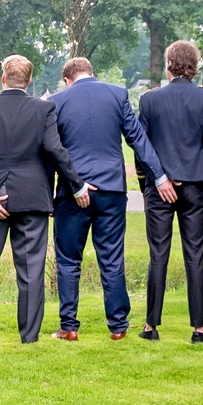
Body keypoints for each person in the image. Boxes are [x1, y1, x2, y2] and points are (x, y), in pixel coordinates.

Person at [49, 57, 176, 342]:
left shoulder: (57, 101)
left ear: (67, 79)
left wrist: (53, 194)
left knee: (69, 259)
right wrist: (159, 176)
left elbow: (53, 150)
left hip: (73, 190)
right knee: (111, 257)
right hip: (111, 190)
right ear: (92, 73)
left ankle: (69, 326)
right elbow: (138, 139)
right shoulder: (117, 94)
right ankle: (118, 325)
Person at [0, 54, 87, 344]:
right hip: (33, 196)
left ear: (2, 77)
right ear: (30, 80)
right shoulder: (44, 109)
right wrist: (76, 186)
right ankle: (29, 335)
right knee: (31, 269)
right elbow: (55, 150)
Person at [134, 40, 203, 343]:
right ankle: (199, 329)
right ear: (195, 65)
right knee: (194, 255)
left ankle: (150, 327)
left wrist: (150, 181)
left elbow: (140, 147)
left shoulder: (149, 99)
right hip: (194, 187)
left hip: (159, 188)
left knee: (158, 255)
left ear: (169, 64)